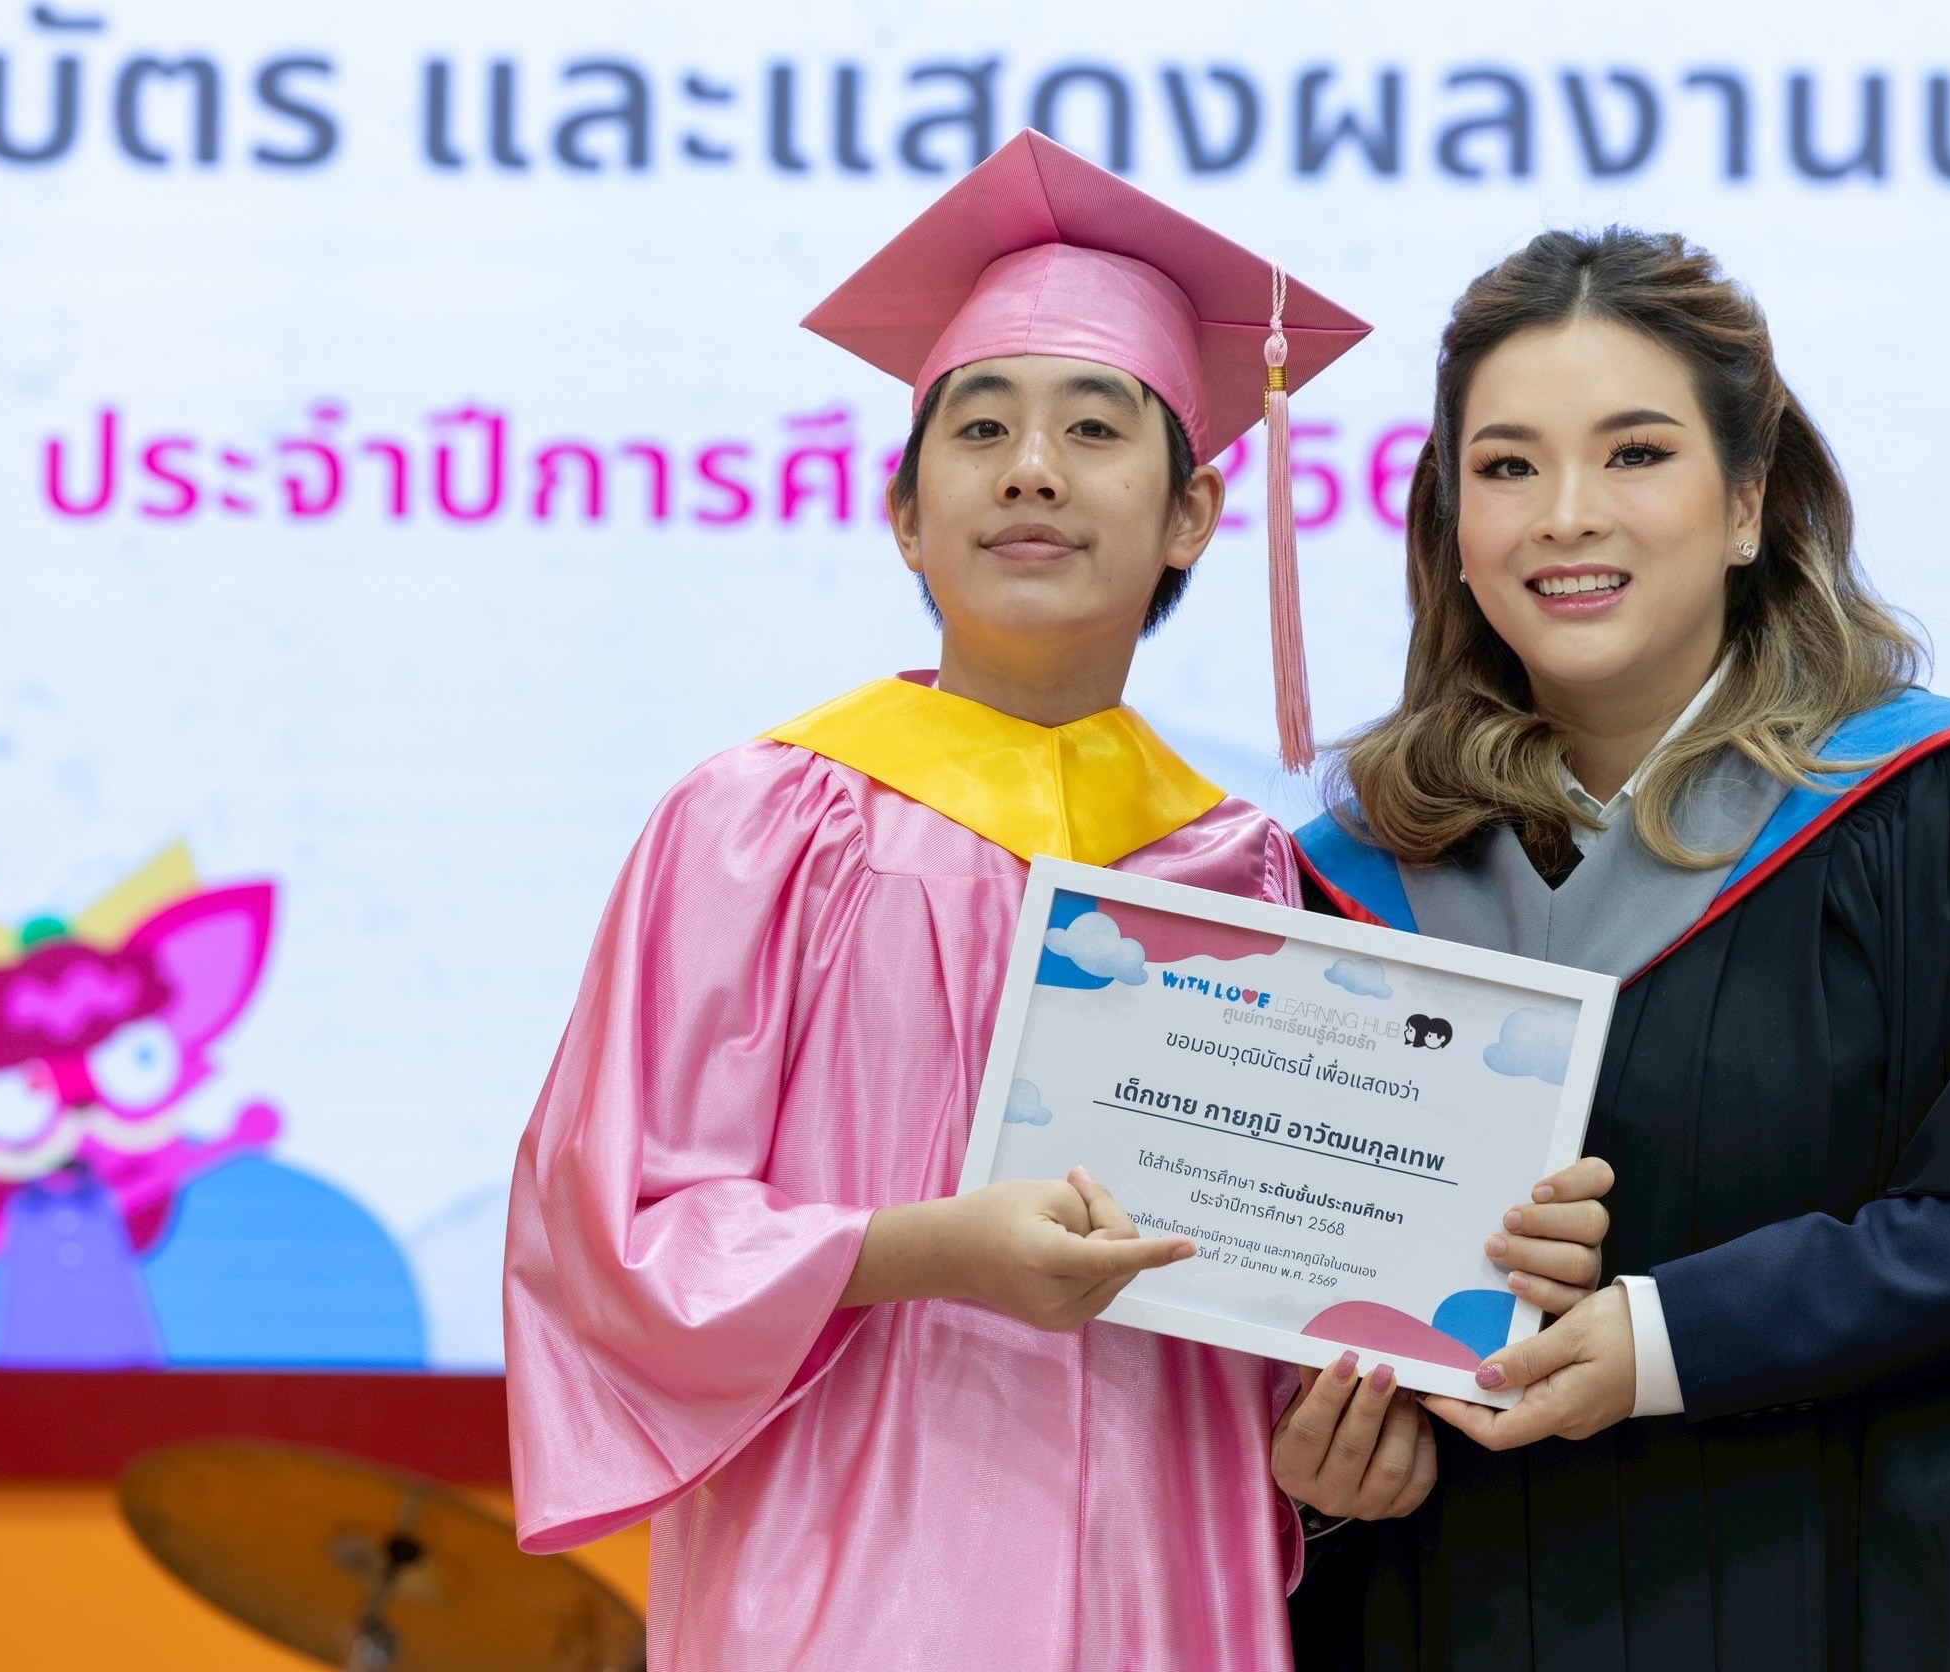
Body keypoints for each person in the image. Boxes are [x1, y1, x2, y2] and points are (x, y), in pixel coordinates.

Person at [502, 131, 1438, 1671]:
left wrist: (1337, 1430)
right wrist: (924, 1249)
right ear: (903, 514)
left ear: (1194, 514)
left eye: (1095, 427)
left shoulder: (1244, 876)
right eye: (982, 425)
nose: (1032, 468)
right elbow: (613, 1231)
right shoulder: (760, 827)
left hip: (1157, 1587)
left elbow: (1273, 1289)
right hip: (847, 1591)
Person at [1287, 229, 1950, 1670]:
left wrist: (1671, 1338)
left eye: (1636, 454)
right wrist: (1321, 1476)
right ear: (1453, 527)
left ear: (1748, 504)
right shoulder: (1339, 885)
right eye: (1509, 466)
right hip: (1461, 1610)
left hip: (1829, 1596)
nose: (1567, 515)